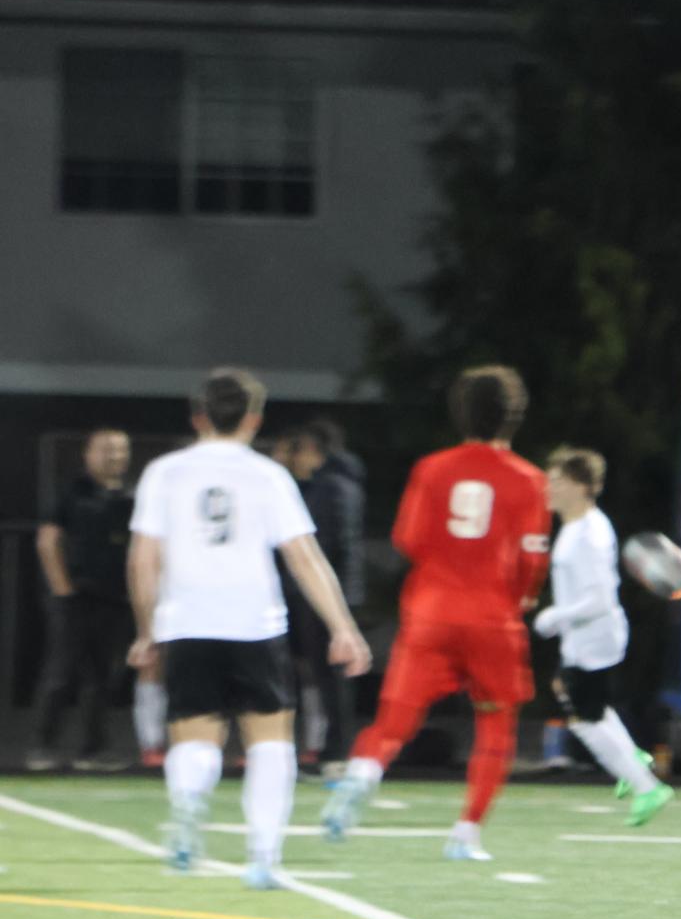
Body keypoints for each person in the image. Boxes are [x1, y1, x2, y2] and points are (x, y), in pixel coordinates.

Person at [126, 369, 369, 886]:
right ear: (254, 420)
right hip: (254, 622)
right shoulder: (268, 475)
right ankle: (263, 856)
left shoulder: (164, 472)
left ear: (198, 416)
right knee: (270, 741)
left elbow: (143, 559)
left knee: (194, 733)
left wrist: (147, 630)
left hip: (186, 621)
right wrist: (341, 625)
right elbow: (304, 556)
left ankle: (190, 807)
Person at [319, 365, 550, 861]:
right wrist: (524, 597)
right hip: (492, 617)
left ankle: (362, 774)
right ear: (514, 417)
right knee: (495, 725)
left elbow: (409, 540)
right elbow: (533, 555)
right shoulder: (529, 480)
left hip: (431, 613)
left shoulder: (432, 468)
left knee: (394, 720)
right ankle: (466, 832)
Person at [534, 447, 672, 825]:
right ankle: (632, 758)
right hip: (587, 636)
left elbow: (595, 599)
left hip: (594, 636)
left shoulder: (589, 534)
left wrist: (554, 617)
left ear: (580, 487)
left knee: (583, 719)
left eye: (557, 481)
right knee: (577, 697)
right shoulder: (581, 526)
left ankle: (647, 787)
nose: (549, 487)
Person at [32, 428, 167, 770]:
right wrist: (63, 590)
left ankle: (92, 750)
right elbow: (48, 541)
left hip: (116, 600)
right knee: (61, 674)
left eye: (121, 450)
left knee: (104, 677)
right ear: (89, 453)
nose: (115, 456)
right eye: (107, 449)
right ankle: (42, 748)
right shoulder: (71, 492)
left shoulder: (133, 496)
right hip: (75, 598)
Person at [273, 421, 365, 771]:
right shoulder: (329, 485)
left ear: (313, 449)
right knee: (322, 674)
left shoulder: (332, 487)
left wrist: (333, 598)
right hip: (321, 593)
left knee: (332, 676)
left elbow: (332, 547)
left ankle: (337, 749)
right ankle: (328, 746)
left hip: (324, 596)